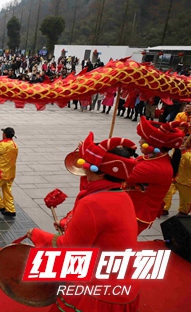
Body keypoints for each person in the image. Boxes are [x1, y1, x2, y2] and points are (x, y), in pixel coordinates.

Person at [27, 132, 140, 311]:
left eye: (87, 164)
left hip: (97, 292)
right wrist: (67, 223)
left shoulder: (92, 202)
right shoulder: (122, 196)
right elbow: (102, 228)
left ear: (94, 170)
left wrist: (37, 235)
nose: (84, 168)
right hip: (123, 285)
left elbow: (70, 249)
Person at [126, 117, 186, 234]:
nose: (139, 142)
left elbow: (121, 173)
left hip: (137, 212)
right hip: (131, 207)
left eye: (142, 139)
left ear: (152, 144)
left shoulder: (156, 167)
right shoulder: (154, 158)